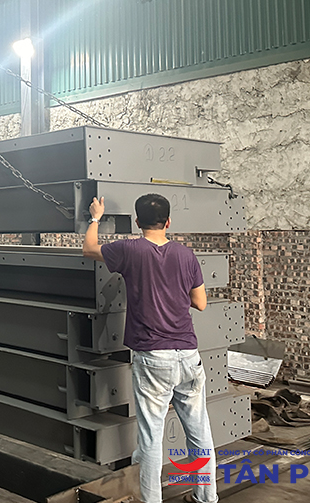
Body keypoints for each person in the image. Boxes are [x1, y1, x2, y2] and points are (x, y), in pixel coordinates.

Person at [83, 194, 216, 503]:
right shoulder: (186, 255)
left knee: (151, 437)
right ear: (168, 222)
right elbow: (200, 303)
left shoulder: (129, 250)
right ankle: (206, 498)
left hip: (154, 358)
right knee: (199, 433)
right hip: (188, 356)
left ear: (137, 222)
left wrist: (95, 217)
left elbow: (89, 249)